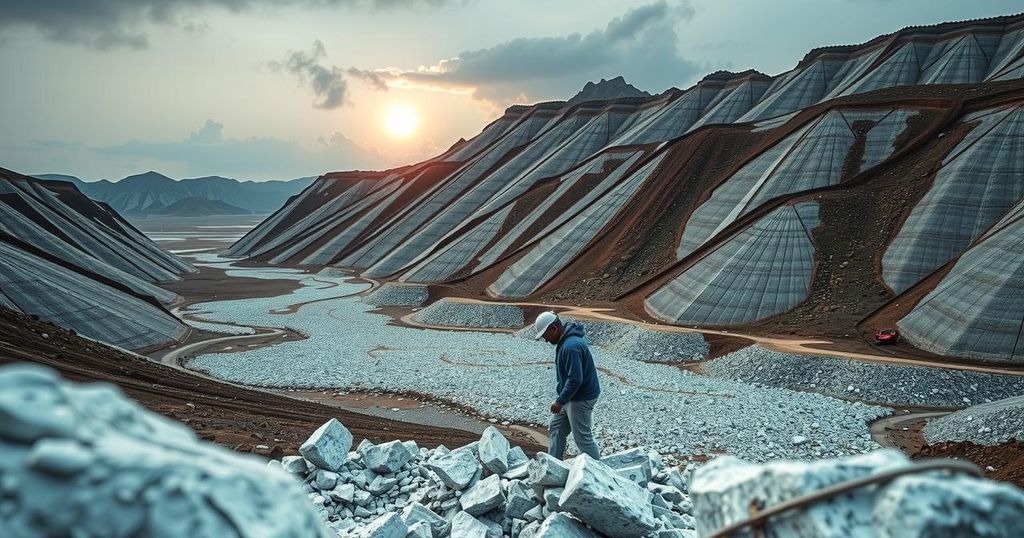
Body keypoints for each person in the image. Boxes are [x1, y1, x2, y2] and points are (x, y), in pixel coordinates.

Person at [534, 311, 601, 459]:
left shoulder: (571, 346)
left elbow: (575, 379)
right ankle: (553, 466)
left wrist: (560, 401)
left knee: (583, 439)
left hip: (580, 398)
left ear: (554, 328)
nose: (546, 340)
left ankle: (601, 474)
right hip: (571, 395)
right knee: (556, 428)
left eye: (545, 336)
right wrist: (563, 399)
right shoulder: (567, 342)